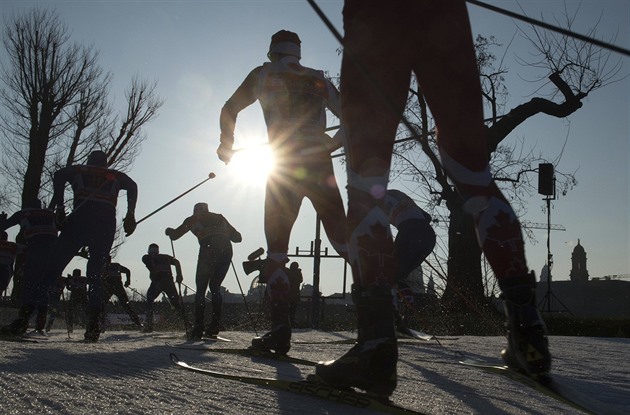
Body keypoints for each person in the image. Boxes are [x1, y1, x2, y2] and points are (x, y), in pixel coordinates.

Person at [315, 0, 551, 397]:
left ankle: (375, 346)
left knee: (364, 182)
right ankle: (530, 337)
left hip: (374, 17)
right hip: (444, 14)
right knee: (474, 175)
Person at [217, 30, 348, 354]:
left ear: (272, 52)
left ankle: (279, 332)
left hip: (283, 164)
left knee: (277, 251)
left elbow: (230, 108)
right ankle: (378, 326)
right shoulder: (317, 78)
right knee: (345, 241)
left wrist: (227, 145)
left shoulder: (263, 74)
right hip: (319, 163)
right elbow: (352, 118)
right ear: (299, 53)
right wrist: (335, 142)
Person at [43, 149, 137, 342]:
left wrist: (60, 207)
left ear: (90, 160)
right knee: (95, 272)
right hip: (104, 224)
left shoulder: (79, 170)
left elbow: (59, 175)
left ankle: (27, 313)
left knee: (54, 264)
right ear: (106, 162)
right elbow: (133, 186)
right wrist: (130, 214)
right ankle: (93, 323)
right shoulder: (116, 176)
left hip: (80, 220)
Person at [166, 202, 241, 340]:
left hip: (208, 249)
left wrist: (170, 231)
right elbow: (238, 238)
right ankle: (214, 325)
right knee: (215, 287)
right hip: (226, 250)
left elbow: (175, 235)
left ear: (195, 211)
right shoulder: (220, 217)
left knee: (201, 289)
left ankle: (199, 326)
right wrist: (223, 232)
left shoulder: (192, 219)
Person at [0, 199, 58, 337]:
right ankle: (39, 324)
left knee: (30, 284)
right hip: (54, 250)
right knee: (43, 285)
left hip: (37, 246)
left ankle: (22, 321)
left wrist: (2, 221)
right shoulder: (50, 214)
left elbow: (4, 226)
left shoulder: (24, 213)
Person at [383, 189, 436, 335]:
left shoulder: (370, 203)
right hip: (428, 236)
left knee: (389, 275)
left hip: (409, 232)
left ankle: (392, 321)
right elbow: (428, 217)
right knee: (398, 276)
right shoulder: (397, 192)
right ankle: (405, 319)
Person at [141, 243, 185, 333]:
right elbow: (177, 262)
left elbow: (146, 260)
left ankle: (149, 325)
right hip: (169, 282)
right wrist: (179, 274)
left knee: (149, 300)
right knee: (176, 304)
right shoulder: (166, 257)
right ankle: (187, 323)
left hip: (158, 282)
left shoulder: (147, 257)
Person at [102, 257, 143, 329]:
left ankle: (138, 323)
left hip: (112, 288)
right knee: (126, 305)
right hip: (114, 288)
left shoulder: (104, 266)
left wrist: (128, 281)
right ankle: (138, 323)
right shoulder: (115, 266)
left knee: (125, 306)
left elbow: (127, 271)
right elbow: (127, 271)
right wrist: (128, 281)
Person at [66, 269, 88, 334]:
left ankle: (70, 326)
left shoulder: (72, 278)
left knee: (71, 311)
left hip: (75, 296)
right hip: (83, 295)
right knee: (86, 311)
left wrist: (69, 283)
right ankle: (87, 324)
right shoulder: (84, 278)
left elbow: (68, 287)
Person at [287, 261, 303, 327]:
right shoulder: (298, 273)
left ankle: (289, 321)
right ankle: (292, 321)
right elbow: (300, 280)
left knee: (288, 309)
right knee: (293, 309)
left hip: (288, 294)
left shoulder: (289, 272)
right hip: (295, 294)